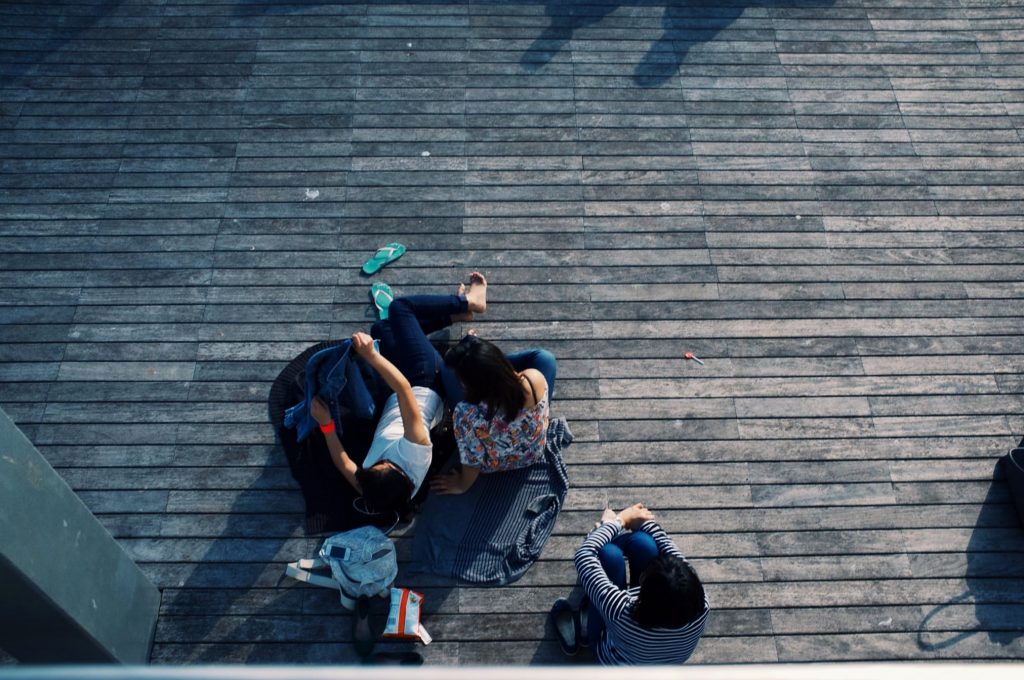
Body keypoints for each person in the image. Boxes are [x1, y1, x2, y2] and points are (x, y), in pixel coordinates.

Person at [310, 273, 489, 513]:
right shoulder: (415, 450)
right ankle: (471, 302)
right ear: (400, 472)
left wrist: (327, 425)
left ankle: (456, 315)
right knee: (399, 309)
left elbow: (344, 464)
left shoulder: (373, 487)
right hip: (424, 380)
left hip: (393, 396)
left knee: (381, 328)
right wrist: (371, 357)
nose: (379, 462)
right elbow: (404, 389)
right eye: (384, 464)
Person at [553, 503, 709, 665]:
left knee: (608, 555)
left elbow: (584, 555)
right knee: (644, 543)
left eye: (644, 576)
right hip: (659, 664)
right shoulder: (701, 605)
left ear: (643, 589)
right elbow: (674, 554)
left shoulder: (620, 610)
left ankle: (588, 628)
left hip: (613, 660)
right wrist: (644, 522)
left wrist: (617, 522)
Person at [428, 335, 557, 495]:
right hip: (532, 452)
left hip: (496, 463)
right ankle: (482, 359)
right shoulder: (533, 378)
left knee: (447, 369)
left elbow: (472, 460)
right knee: (545, 358)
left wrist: (462, 485)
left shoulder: (467, 413)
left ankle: (475, 358)